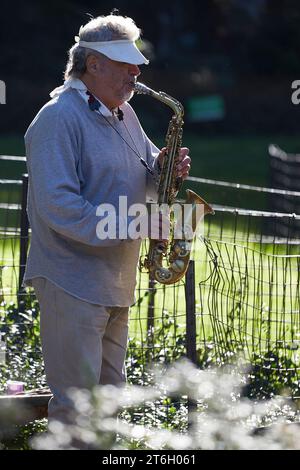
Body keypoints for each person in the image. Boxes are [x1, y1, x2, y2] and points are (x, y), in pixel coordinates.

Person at [23, 13, 191, 425]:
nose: (135, 71)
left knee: (108, 402)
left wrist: (164, 170)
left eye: (136, 63)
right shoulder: (57, 117)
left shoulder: (122, 113)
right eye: (124, 63)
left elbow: (145, 176)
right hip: (71, 280)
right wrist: (133, 225)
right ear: (92, 64)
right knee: (76, 407)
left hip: (114, 280)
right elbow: (59, 206)